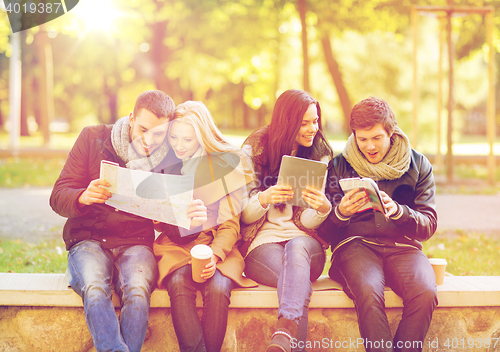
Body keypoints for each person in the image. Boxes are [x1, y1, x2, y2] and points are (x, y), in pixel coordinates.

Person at [50, 90, 206, 352]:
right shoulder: (92, 138)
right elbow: (58, 196)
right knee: (94, 286)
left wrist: (191, 221)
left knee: (136, 289)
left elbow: (177, 231)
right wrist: (83, 196)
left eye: (158, 134)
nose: (148, 141)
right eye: (143, 129)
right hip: (88, 239)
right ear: (131, 118)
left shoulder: (169, 162)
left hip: (135, 243)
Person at [320, 96, 438, 352]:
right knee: (368, 289)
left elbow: (428, 225)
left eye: (376, 138)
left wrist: (398, 212)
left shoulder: (418, 165)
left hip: (403, 247)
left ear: (391, 132)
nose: (369, 146)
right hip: (355, 247)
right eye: (362, 139)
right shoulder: (340, 166)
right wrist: (340, 213)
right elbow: (324, 233)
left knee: (426, 291)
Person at [153, 100, 257, 352]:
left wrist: (216, 255)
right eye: (174, 137)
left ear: (201, 137)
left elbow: (230, 224)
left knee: (219, 287)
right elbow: (158, 218)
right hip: (176, 246)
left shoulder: (225, 166)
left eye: (187, 140)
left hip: (218, 246)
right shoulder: (165, 166)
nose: (179, 145)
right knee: (178, 282)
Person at [241, 89, 334, 352]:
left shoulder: (319, 153)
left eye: (315, 121)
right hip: (262, 244)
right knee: (295, 282)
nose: (312, 129)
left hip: (306, 245)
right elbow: (244, 216)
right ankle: (289, 335)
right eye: (304, 123)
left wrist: (322, 208)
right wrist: (265, 198)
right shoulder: (254, 150)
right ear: (286, 122)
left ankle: (284, 331)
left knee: (297, 247)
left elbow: (307, 220)